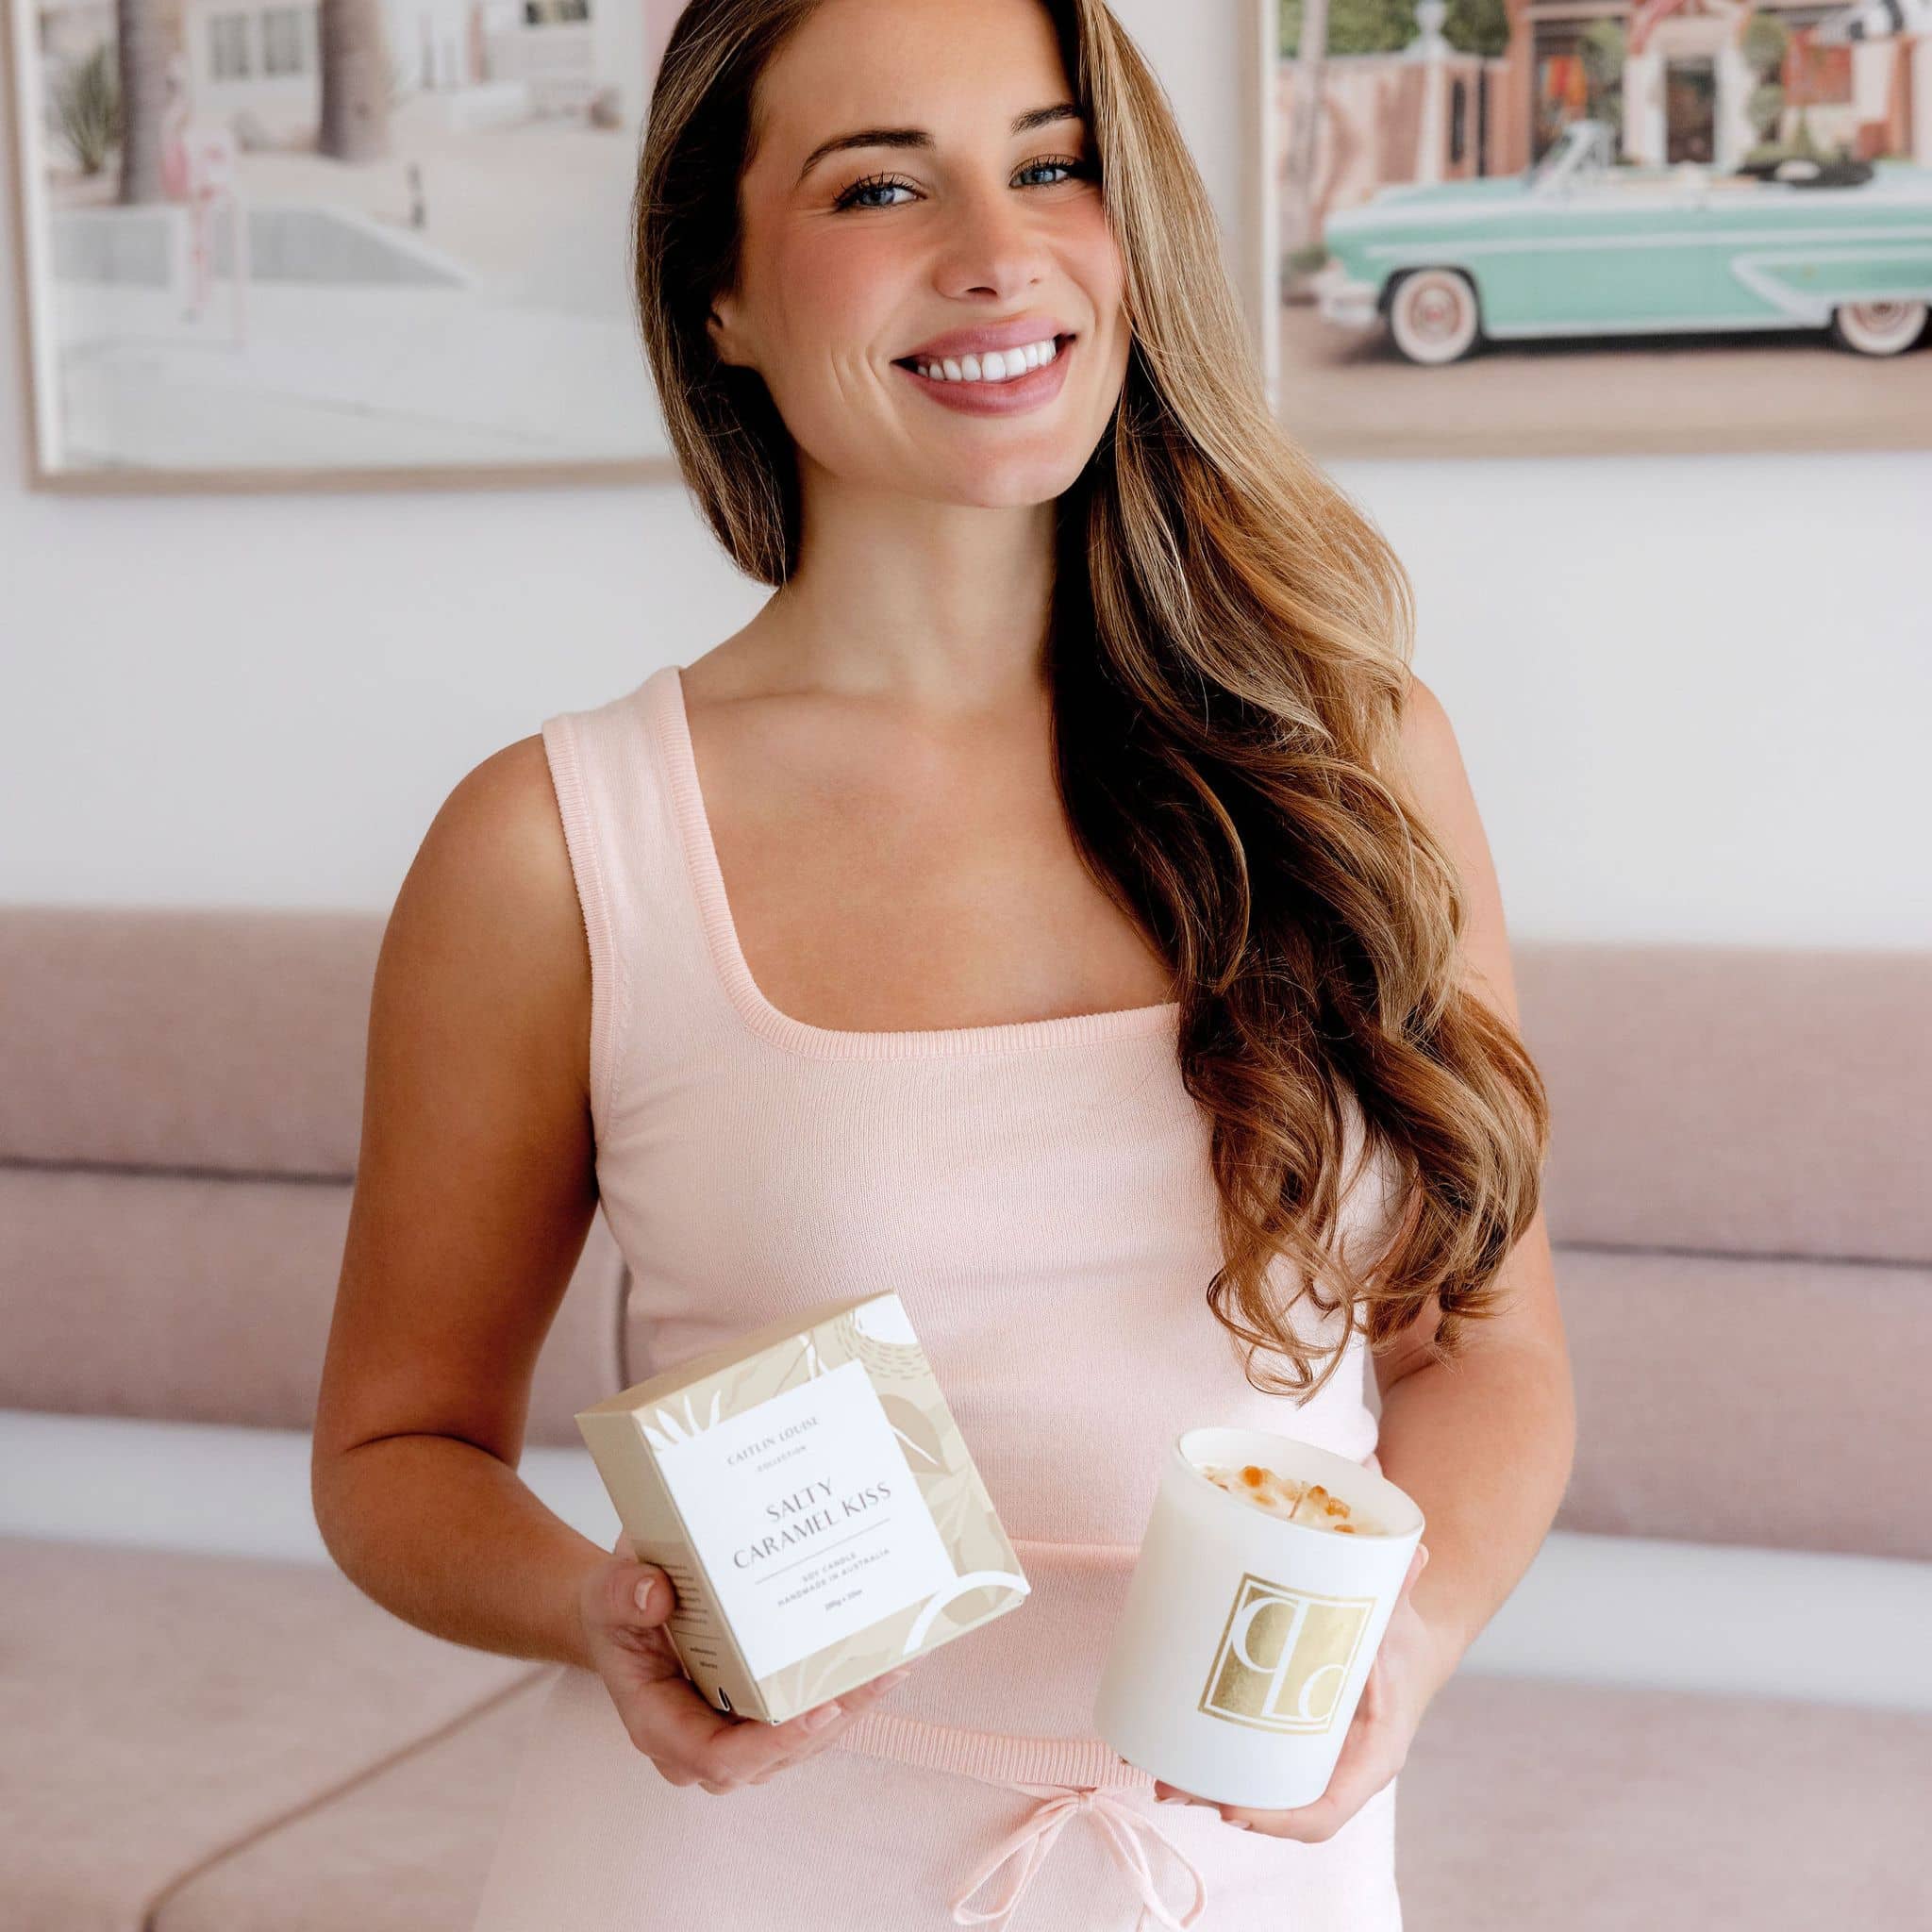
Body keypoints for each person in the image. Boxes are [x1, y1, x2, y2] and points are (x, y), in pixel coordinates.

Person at [310, 1, 1575, 1926]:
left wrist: (1411, 1637)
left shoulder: (1355, 765)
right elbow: (394, 1453)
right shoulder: (557, 846)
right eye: (881, 183)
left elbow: (1483, 1348)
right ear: (715, 295)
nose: (997, 249)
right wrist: (603, 1605)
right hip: (725, 1871)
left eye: (1053, 163)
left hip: (1232, 1876)